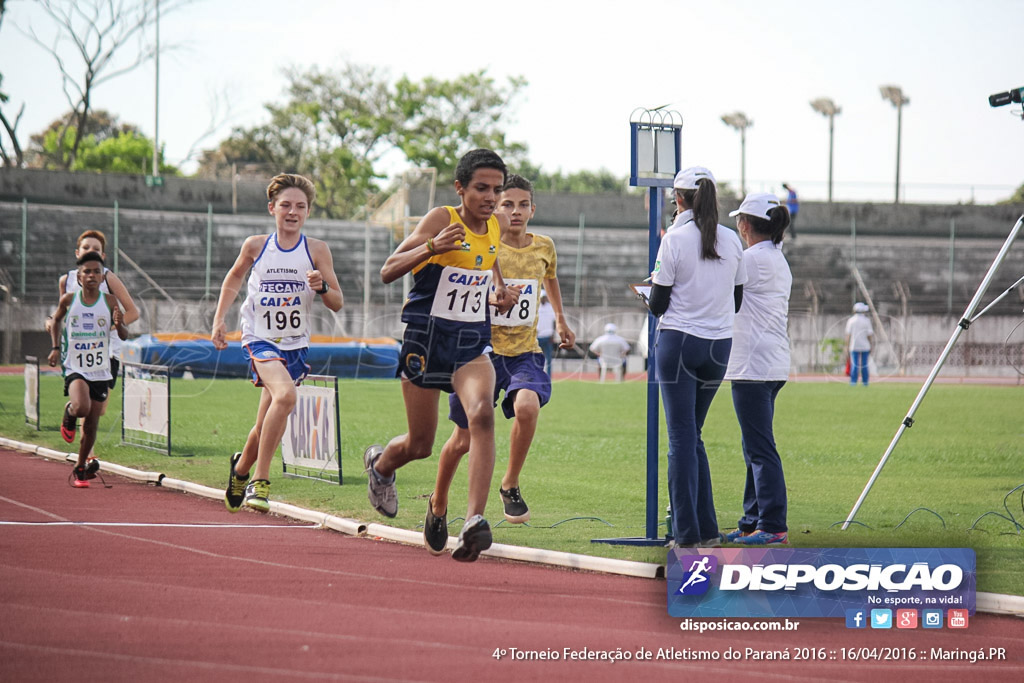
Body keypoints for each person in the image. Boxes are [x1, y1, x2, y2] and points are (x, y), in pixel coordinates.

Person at [364, 149, 518, 563]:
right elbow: (388, 269)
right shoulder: (441, 219)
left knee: (482, 414)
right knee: (420, 444)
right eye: (481, 188)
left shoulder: (497, 224)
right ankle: (380, 465)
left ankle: (473, 521)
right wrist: (431, 246)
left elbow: (488, 265)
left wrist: (498, 293)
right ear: (460, 188)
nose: (491, 198)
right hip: (426, 340)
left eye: (497, 190)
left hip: (470, 342)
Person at [431, 174, 575, 544]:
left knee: (527, 407)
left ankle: (509, 483)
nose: (515, 211)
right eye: (506, 204)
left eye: (522, 204)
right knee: (462, 441)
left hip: (524, 351)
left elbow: (551, 279)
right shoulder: (485, 244)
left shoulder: (544, 246)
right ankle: (439, 501)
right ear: (495, 207)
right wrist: (492, 295)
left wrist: (560, 317)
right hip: (480, 354)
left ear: (532, 209)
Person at [211, 173, 343, 513]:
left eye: (300, 206)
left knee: (265, 421)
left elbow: (337, 301)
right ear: (272, 208)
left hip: (294, 344)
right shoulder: (257, 246)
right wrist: (219, 318)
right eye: (285, 205)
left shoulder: (316, 250)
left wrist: (322, 287)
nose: (292, 212)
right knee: (286, 396)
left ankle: (240, 469)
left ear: (308, 213)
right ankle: (260, 479)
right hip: (259, 337)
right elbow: (234, 277)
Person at [647, 166, 745, 549]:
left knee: (681, 439)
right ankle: (706, 528)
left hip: (680, 342)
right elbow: (736, 300)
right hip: (719, 345)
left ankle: (687, 534)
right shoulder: (732, 238)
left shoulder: (675, 238)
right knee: (693, 435)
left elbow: (657, 304)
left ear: (680, 198)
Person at [723, 193, 793, 546]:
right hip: (771, 361)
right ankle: (752, 520)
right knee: (755, 445)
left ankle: (772, 523)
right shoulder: (775, 258)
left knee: (760, 447)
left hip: (752, 364)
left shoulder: (750, 259)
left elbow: (717, 285)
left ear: (745, 225)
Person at [46, 230, 140, 454]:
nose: (91, 252)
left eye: (96, 249)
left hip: (107, 352)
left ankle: (72, 411)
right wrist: (51, 322)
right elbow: (62, 312)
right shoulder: (66, 281)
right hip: (78, 352)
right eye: (87, 248)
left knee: (99, 410)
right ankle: (87, 458)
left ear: (103, 255)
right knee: (85, 406)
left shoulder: (108, 278)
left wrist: (107, 326)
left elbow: (133, 312)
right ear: (77, 252)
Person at [47, 251, 127, 487]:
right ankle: (70, 411)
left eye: (96, 272)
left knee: (92, 423)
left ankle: (81, 467)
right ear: (79, 277)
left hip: (101, 368)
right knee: (82, 407)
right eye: (87, 272)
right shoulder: (69, 300)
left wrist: (119, 323)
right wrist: (54, 347)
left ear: (103, 278)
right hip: (75, 365)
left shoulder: (110, 302)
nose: (92, 275)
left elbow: (123, 334)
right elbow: (56, 320)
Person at [845, 302, 874, 386]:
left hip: (854, 345)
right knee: (864, 365)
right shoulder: (866, 320)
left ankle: (853, 382)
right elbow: (869, 335)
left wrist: (846, 346)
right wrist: (871, 345)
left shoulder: (851, 321)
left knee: (855, 365)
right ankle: (865, 382)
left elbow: (848, 335)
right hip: (865, 346)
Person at [536, 291, 556, 376]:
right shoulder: (536, 307)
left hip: (548, 336)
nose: (543, 299)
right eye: (541, 298)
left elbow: (554, 321)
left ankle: (548, 377)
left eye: (544, 297)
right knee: (536, 358)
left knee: (549, 359)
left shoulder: (550, 307)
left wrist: (553, 334)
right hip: (538, 336)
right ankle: (536, 375)